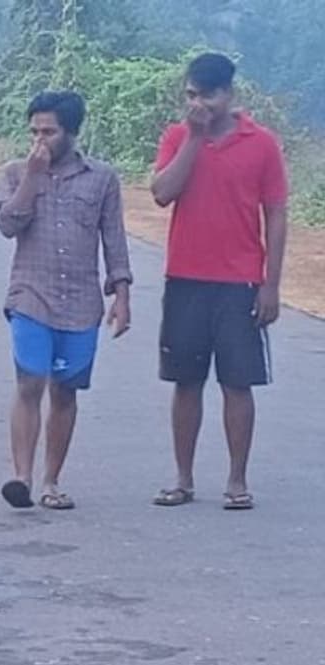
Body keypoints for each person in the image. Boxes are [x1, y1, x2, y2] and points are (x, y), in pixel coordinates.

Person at [149, 53, 289, 511]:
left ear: (228, 94)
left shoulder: (261, 144)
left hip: (240, 281)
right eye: (192, 95)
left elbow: (276, 213)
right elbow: (162, 193)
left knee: (237, 383)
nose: (199, 104)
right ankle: (183, 479)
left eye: (207, 95)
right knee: (186, 381)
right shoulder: (177, 136)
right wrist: (194, 138)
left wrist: (271, 284)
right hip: (186, 277)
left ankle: (236, 481)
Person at [0, 90, 133, 510]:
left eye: (49, 132)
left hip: (81, 302)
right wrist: (33, 179)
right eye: (34, 131)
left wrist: (122, 295)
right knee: (29, 381)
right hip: (30, 295)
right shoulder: (16, 173)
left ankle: (51, 481)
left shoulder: (102, 179)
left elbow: (114, 239)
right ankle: (22, 477)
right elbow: (8, 224)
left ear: (71, 132)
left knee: (66, 390)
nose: (40, 140)